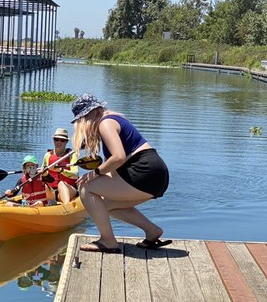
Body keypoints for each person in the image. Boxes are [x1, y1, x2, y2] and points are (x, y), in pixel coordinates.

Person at [70, 93, 171, 253]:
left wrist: (94, 173)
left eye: (82, 121)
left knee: (86, 188)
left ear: (91, 114)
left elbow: (118, 157)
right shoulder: (113, 120)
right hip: (156, 176)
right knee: (106, 206)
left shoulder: (105, 123)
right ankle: (152, 231)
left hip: (144, 171)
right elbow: (118, 165)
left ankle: (108, 241)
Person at [42, 128, 78, 204]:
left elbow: (75, 175)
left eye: (62, 140)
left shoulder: (72, 155)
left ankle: (66, 207)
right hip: (52, 192)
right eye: (56, 139)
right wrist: (42, 173)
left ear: (66, 142)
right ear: (53, 140)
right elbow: (42, 175)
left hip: (69, 189)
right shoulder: (47, 156)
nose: (59, 142)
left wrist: (61, 170)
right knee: (43, 185)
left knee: (61, 184)